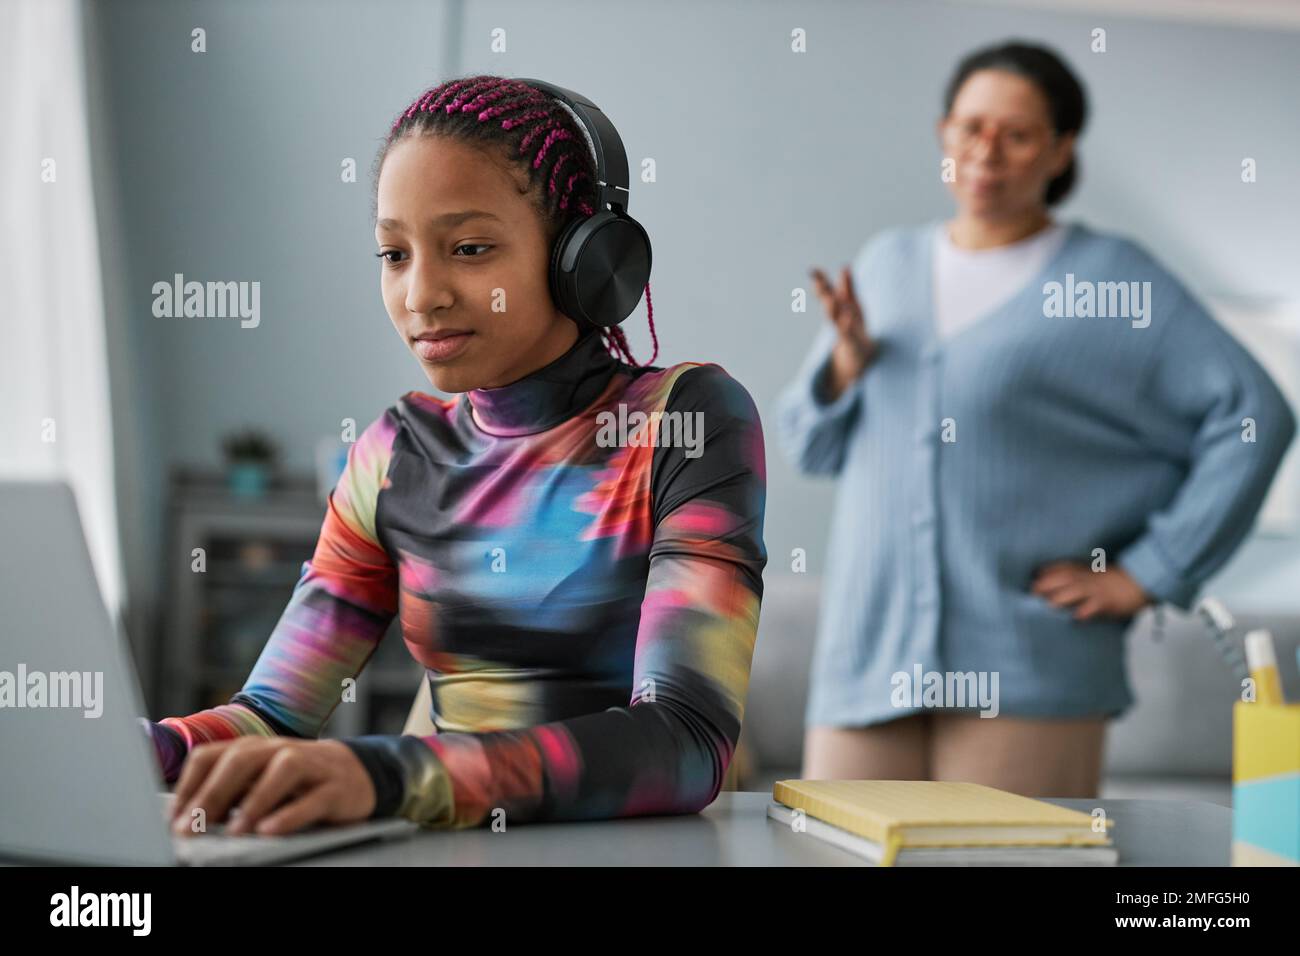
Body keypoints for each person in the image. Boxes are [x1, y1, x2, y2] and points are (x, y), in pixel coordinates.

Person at [145, 75, 768, 833]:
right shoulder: (395, 453)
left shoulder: (686, 419)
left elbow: (687, 742)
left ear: (586, 259)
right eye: (394, 253)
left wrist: (388, 775)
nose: (421, 294)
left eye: (469, 248)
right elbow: (271, 713)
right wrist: (134, 751)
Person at [776, 41, 1295, 797]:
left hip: (1025, 667)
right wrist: (845, 367)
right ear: (943, 134)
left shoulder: (1112, 279)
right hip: (866, 661)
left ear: (1060, 151)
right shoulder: (885, 265)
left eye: (1016, 135)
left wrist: (1150, 572)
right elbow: (808, 445)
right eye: (969, 127)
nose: (986, 151)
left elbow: (1257, 414)